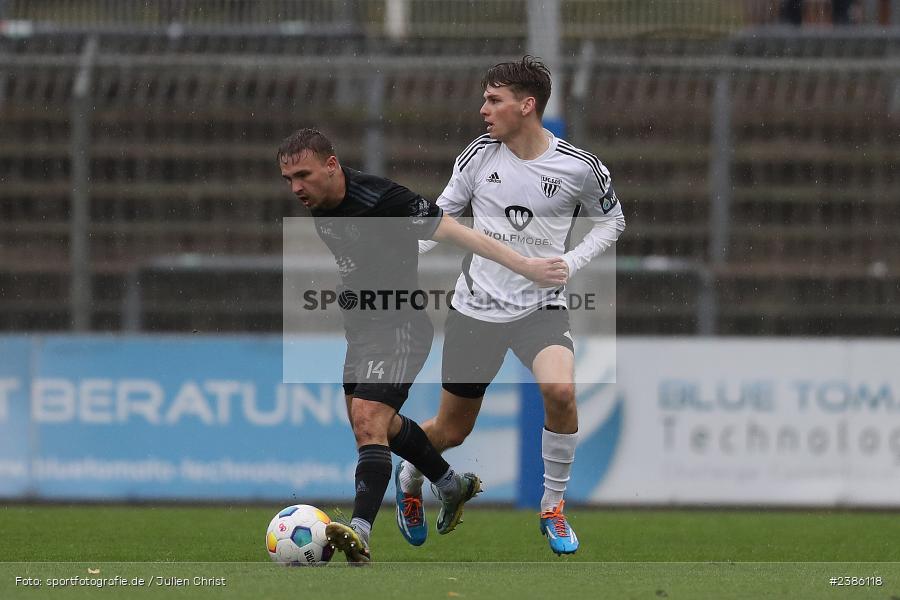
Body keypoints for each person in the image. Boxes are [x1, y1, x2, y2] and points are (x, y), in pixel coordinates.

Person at [278, 128, 568, 564]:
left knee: (368, 422)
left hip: (398, 326)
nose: (296, 187)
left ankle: (359, 533)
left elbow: (461, 233)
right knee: (380, 428)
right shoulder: (321, 200)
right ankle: (450, 483)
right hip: (361, 330)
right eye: (288, 179)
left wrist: (524, 265)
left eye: (303, 174)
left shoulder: (384, 199)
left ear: (332, 165)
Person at [395, 56, 626, 555]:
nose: (483, 109)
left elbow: (613, 221)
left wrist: (570, 260)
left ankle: (553, 509)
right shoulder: (478, 157)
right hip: (476, 308)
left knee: (561, 392)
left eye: (494, 100)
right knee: (452, 431)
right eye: (485, 99)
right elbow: (441, 220)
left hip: (540, 308)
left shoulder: (579, 167)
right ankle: (411, 475)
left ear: (528, 106)